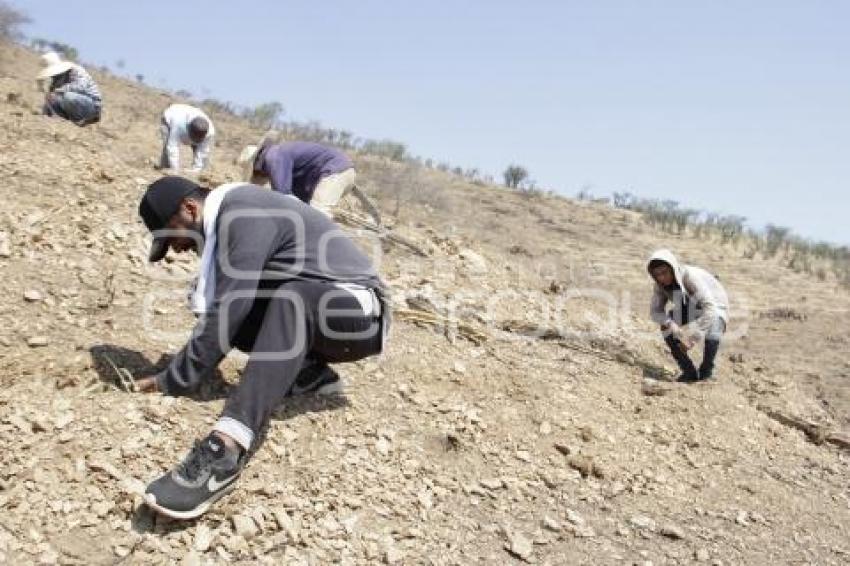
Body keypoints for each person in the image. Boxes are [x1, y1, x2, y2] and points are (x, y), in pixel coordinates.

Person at [135, 176, 390, 519]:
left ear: (189, 208)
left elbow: (229, 311)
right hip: (326, 310)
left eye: (173, 237)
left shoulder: (243, 213)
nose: (177, 250)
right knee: (239, 302)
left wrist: (173, 379)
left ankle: (227, 447)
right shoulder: (232, 214)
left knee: (285, 300)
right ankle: (308, 373)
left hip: (359, 311)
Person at [647, 249, 729, 383]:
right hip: (690, 304)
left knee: (713, 331)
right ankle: (688, 371)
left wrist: (692, 339)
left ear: (672, 269)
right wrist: (670, 323)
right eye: (657, 275)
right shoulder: (659, 286)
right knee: (666, 327)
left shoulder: (689, 276)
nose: (662, 277)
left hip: (715, 302)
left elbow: (710, 308)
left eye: (664, 272)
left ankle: (706, 372)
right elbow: (655, 311)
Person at [238, 139, 356, 217]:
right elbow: (299, 203)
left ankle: (324, 251)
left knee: (317, 216)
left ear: (256, 167)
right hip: (344, 173)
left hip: (334, 172)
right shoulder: (284, 163)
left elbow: (284, 196)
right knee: (309, 214)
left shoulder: (274, 157)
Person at [37, 52, 101, 126]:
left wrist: (60, 90)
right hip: (74, 107)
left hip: (91, 105)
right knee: (52, 99)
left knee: (68, 96)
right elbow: (51, 98)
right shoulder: (56, 78)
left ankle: (82, 120)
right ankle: (68, 120)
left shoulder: (76, 70)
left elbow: (81, 86)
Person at [159, 104, 215, 173]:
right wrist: (175, 169)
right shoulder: (178, 124)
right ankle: (166, 169)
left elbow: (203, 151)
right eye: (194, 138)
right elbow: (172, 146)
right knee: (167, 146)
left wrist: (196, 169)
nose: (194, 141)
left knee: (204, 160)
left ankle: (201, 172)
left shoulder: (210, 132)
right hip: (169, 118)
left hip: (188, 117)